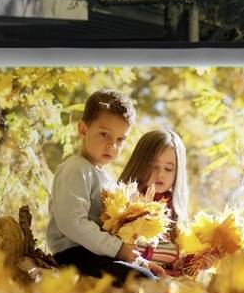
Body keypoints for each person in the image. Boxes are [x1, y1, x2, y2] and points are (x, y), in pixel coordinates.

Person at [44, 88, 166, 282]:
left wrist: (140, 261)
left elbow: (112, 232)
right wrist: (117, 250)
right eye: (104, 134)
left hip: (98, 253)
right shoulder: (75, 169)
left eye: (120, 139)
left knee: (148, 276)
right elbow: (72, 223)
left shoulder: (107, 178)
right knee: (142, 281)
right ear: (83, 130)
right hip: (74, 254)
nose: (113, 146)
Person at [116, 128, 206, 275]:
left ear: (178, 173)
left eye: (169, 169)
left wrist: (200, 262)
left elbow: (183, 267)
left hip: (168, 288)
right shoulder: (122, 202)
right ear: (140, 163)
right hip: (130, 280)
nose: (160, 174)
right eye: (153, 166)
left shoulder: (175, 213)